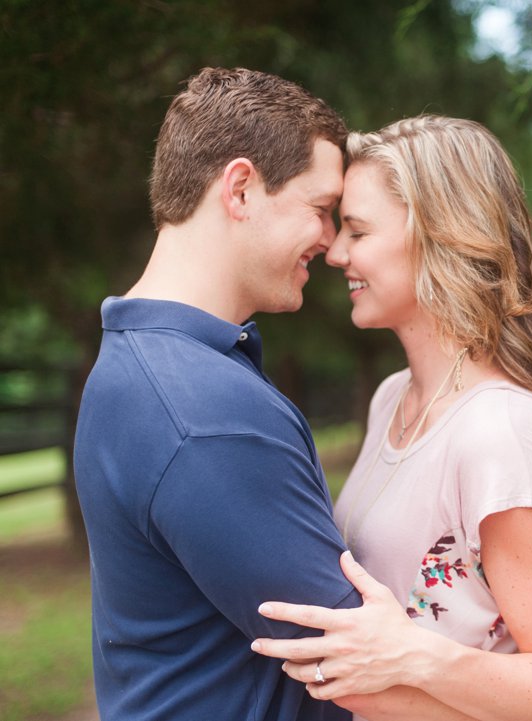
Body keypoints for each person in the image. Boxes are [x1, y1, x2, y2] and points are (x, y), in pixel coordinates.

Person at [250, 116, 532, 721]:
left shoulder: (502, 430)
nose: (335, 252)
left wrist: (415, 657)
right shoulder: (392, 397)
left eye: (358, 230)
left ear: (443, 236)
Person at [73, 67, 362, 721]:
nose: (332, 241)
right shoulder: (205, 412)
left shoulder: (131, 364)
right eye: (321, 209)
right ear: (240, 189)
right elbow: (353, 664)